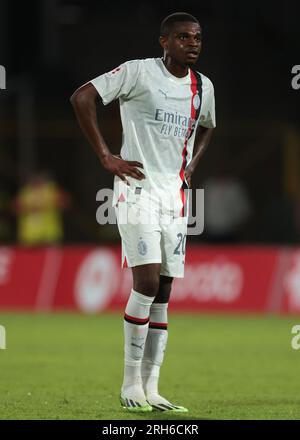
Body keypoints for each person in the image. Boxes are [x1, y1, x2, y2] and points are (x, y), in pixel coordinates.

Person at [70, 12, 216, 413]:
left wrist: (190, 168)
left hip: (175, 197)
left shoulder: (203, 86)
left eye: (198, 37)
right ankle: (129, 382)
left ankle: (152, 387)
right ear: (164, 42)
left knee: (164, 293)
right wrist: (106, 156)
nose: (193, 43)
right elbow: (83, 96)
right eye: (183, 37)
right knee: (148, 283)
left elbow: (207, 126)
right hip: (137, 191)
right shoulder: (137, 73)